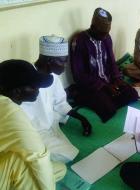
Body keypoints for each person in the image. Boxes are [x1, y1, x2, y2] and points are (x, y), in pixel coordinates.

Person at [21, 35, 91, 164]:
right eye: (62, 61)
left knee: (59, 116)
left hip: (49, 118)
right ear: (50, 61)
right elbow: (22, 118)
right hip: (34, 128)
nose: (65, 66)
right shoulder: (27, 80)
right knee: (67, 154)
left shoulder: (52, 75)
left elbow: (60, 102)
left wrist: (82, 118)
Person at [0, 60, 66, 190]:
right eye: (33, 86)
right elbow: (38, 156)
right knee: (20, 161)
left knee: (60, 169)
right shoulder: (9, 111)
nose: (38, 90)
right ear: (17, 92)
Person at [70, 8, 138, 122]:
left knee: (132, 94)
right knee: (108, 109)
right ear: (93, 27)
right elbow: (79, 75)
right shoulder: (79, 41)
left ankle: (107, 100)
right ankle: (103, 101)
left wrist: (117, 79)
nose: (105, 36)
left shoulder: (106, 38)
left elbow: (112, 62)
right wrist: (104, 86)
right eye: (102, 33)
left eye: (107, 32)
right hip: (91, 86)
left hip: (109, 81)